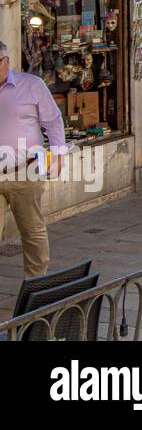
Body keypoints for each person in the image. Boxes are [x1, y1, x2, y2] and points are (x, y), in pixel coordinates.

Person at [0, 38, 66, 278]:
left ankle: (35, 286)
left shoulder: (32, 85)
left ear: (6, 61)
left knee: (32, 231)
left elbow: (53, 121)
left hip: (25, 170)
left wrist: (58, 155)